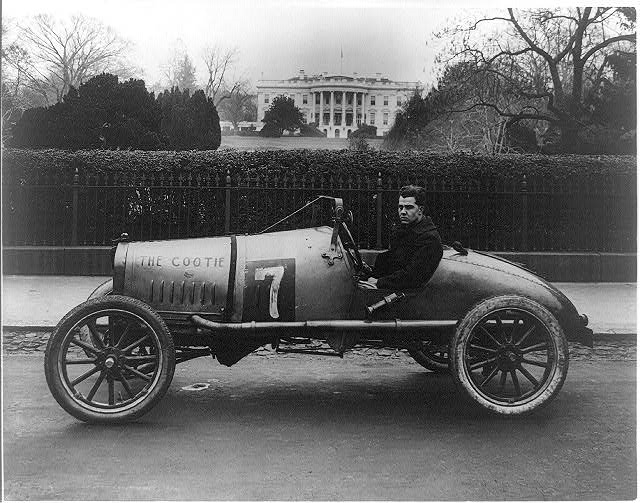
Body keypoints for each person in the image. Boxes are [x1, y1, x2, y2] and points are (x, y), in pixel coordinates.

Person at [364, 185, 443, 290]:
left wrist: (379, 282)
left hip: (406, 296)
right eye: (400, 207)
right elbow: (394, 262)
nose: (403, 212)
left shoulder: (429, 238)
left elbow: (412, 276)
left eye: (409, 207)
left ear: (421, 209)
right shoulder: (407, 230)